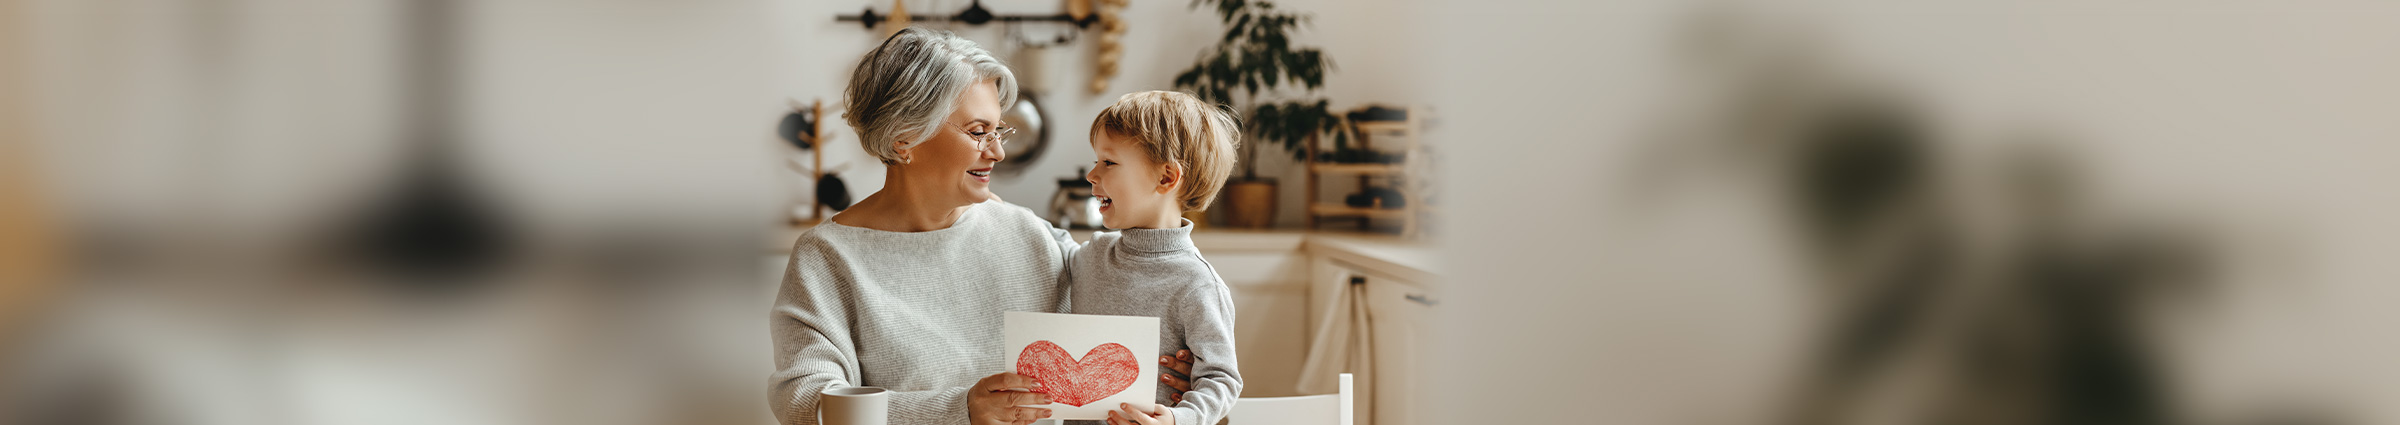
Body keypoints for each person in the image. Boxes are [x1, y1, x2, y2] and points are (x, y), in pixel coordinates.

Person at [1070, 91, 1244, 425]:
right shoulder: (1090, 256)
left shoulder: (1198, 284)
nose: (1092, 175)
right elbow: (1040, 242)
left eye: (1108, 162)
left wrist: (1181, 419)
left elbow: (1221, 379)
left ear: (1166, 177)